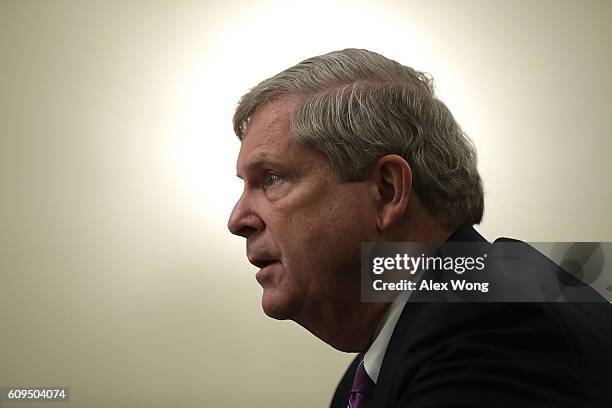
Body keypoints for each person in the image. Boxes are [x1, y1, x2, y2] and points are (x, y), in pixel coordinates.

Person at [227, 49, 612, 407]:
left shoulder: (493, 331)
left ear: (387, 190)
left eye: (272, 178)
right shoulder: (393, 353)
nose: (238, 220)